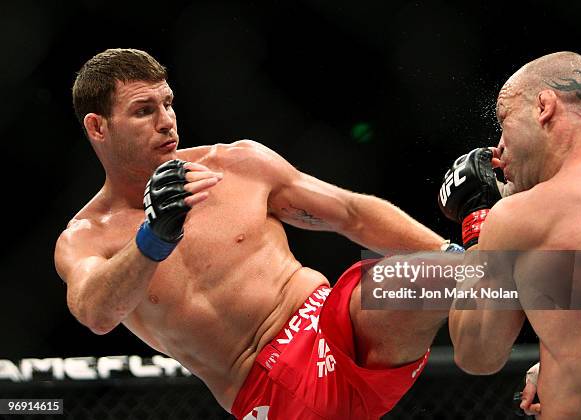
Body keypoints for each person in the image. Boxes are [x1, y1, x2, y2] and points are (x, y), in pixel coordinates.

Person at [54, 48, 451, 419]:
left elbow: (351, 213)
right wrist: (152, 238)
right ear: (98, 127)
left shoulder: (238, 164)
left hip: (333, 319)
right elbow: (96, 313)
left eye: (168, 103)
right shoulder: (86, 237)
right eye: (144, 111)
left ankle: (495, 268)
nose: (166, 121)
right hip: (268, 389)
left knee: (425, 277)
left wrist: (447, 250)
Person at [439, 51, 581, 419]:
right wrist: (556, 363)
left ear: (544, 106)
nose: (498, 147)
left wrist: (477, 227)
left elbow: (476, 352)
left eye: (504, 119)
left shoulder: (521, 218)